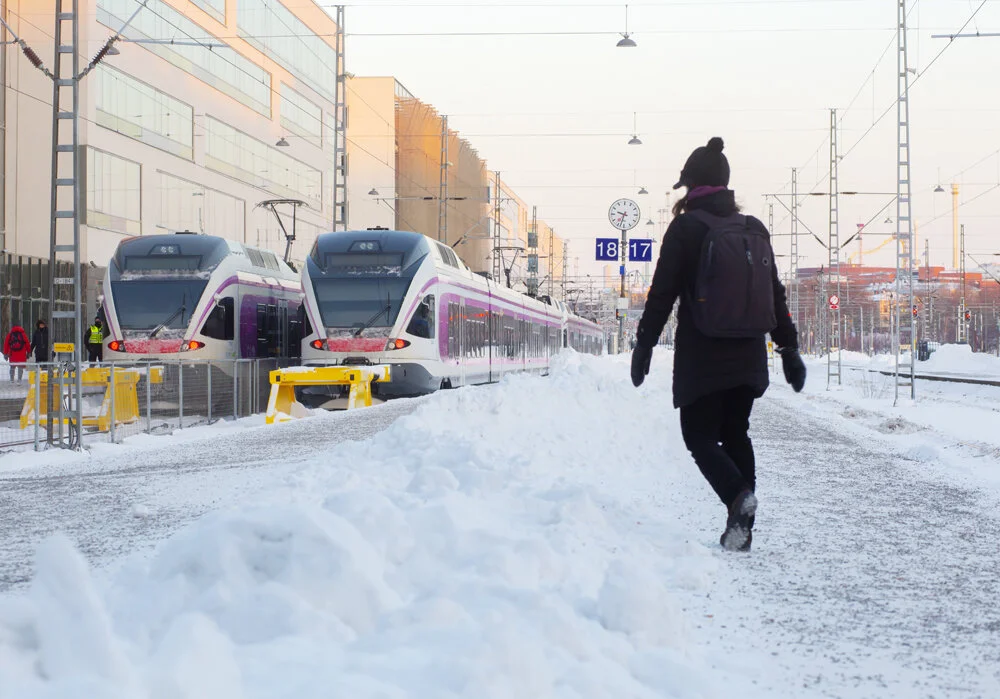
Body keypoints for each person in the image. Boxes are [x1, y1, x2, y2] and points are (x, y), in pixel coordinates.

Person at [630, 137, 807, 552]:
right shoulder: (752, 229)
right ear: (725, 186)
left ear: (691, 187)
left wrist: (645, 345)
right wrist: (789, 349)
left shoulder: (686, 227)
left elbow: (662, 294)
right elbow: (775, 294)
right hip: (749, 353)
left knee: (699, 434)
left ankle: (737, 499)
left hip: (704, 352)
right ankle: (742, 528)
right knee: (736, 431)